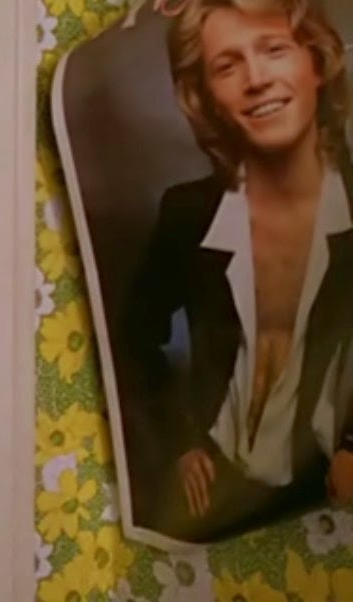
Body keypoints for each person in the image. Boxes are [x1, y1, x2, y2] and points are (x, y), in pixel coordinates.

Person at [123, 0, 353, 542]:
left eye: (274, 49)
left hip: (322, 493)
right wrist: (180, 442)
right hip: (219, 491)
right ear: (204, 96)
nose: (256, 80)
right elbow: (131, 338)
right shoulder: (188, 213)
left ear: (316, 62)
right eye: (227, 66)